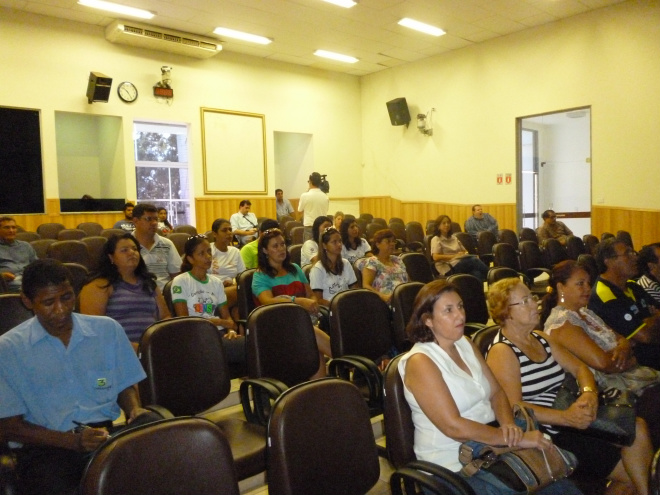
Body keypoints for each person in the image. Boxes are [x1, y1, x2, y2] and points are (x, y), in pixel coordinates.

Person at [399, 279, 581, 495]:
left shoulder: (464, 343)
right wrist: (516, 439)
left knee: (562, 487)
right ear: (428, 320)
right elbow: (454, 427)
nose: (460, 315)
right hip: (453, 469)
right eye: (448, 310)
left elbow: (496, 392)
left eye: (460, 306)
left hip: (490, 450)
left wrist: (509, 427)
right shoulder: (421, 361)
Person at [0, 259, 160, 495]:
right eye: (48, 302)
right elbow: (9, 428)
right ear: (27, 302)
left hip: (104, 437)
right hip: (47, 448)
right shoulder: (8, 349)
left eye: (66, 298)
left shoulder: (107, 330)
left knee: (160, 439)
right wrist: (73, 442)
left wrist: (134, 409)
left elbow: (124, 385)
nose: (61, 309)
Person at [486, 277, 652, 495]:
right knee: (631, 474)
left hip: (574, 413)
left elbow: (580, 369)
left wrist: (589, 394)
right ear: (506, 312)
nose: (534, 304)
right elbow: (514, 407)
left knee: (637, 427)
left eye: (532, 297)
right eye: (525, 300)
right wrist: (566, 417)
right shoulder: (503, 351)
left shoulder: (540, 338)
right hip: (551, 430)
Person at [542, 259, 660, 449]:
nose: (587, 288)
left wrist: (624, 348)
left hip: (628, 378)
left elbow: (624, 340)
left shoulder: (586, 314)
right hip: (611, 392)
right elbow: (605, 364)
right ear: (561, 288)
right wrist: (626, 353)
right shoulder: (562, 323)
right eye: (580, 284)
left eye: (588, 283)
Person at [251, 228, 331, 379]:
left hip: (301, 322)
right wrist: (297, 301)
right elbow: (268, 303)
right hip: (275, 327)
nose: (281, 249)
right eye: (275, 246)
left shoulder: (294, 269)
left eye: (282, 244)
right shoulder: (260, 275)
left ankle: (317, 391)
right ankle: (344, 358)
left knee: (312, 341)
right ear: (265, 250)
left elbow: (311, 295)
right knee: (310, 333)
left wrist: (313, 304)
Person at [79, 233, 170, 346]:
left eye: (135, 249)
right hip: (117, 350)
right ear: (111, 257)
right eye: (124, 250)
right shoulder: (99, 285)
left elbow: (165, 317)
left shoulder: (149, 283)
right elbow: (94, 329)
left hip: (152, 349)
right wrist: (130, 347)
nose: (132, 253)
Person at [171, 235, 245, 368]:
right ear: (190, 259)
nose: (208, 257)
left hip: (219, 333)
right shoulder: (181, 281)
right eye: (201, 253)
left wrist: (231, 331)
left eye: (209, 252)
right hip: (195, 334)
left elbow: (227, 318)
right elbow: (184, 320)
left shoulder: (216, 282)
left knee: (245, 344)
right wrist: (219, 322)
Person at [588, 238, 660, 370]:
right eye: (627, 254)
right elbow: (645, 336)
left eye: (633, 253)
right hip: (640, 365)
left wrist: (648, 322)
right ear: (608, 261)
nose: (635, 258)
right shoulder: (604, 295)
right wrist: (653, 319)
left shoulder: (633, 286)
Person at [132, 203, 182, 290]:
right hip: (136, 295)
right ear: (136, 221)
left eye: (156, 219)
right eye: (148, 219)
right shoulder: (127, 246)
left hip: (164, 293)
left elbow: (176, 276)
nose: (154, 223)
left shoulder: (167, 244)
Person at [431, 215, 489, 282]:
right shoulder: (436, 239)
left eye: (448, 223)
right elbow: (435, 257)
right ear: (438, 226)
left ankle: (475, 292)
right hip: (447, 267)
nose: (447, 225)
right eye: (444, 223)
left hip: (460, 262)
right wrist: (454, 256)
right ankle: (494, 276)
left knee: (477, 274)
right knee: (474, 260)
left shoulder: (454, 238)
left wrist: (463, 254)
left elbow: (465, 251)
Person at [309, 226, 358, 306]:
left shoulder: (346, 263)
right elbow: (318, 300)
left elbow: (355, 290)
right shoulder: (318, 269)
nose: (339, 244)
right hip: (331, 310)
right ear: (324, 245)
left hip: (348, 306)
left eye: (340, 241)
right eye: (334, 242)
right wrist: (337, 306)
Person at [209, 218, 245, 321]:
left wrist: (233, 283)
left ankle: (235, 328)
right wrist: (220, 284)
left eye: (230, 229)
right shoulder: (208, 250)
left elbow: (241, 276)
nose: (229, 233)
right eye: (224, 230)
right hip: (212, 289)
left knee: (240, 292)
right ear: (214, 234)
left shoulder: (235, 251)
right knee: (238, 293)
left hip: (231, 288)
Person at [362, 229, 408, 304]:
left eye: (393, 241)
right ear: (377, 244)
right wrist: (382, 296)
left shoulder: (398, 260)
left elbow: (408, 280)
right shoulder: (372, 262)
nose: (392, 244)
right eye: (388, 241)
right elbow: (366, 286)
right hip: (384, 302)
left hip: (403, 299)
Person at [0, 216, 37, 292]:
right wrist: (1, 275)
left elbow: (36, 265)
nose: (11, 230)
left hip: (29, 278)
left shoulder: (25, 246)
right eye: (6, 228)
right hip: (8, 282)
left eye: (14, 227)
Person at [298, 172, 329, 241]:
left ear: (310, 182)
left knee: (309, 249)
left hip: (309, 227)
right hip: (322, 227)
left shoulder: (304, 195)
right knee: (321, 248)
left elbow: (300, 210)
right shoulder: (325, 196)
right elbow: (326, 210)